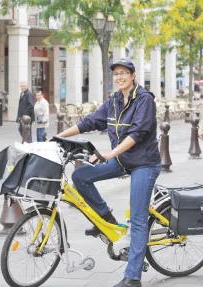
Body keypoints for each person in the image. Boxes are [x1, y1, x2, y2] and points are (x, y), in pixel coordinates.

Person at [57, 58, 161, 287]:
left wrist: (110, 153)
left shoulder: (144, 100)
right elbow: (90, 121)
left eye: (124, 73)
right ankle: (106, 218)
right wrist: (60, 136)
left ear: (133, 75)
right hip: (123, 159)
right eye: (116, 74)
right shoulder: (114, 101)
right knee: (80, 177)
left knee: (138, 219)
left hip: (144, 162)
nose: (120, 77)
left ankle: (133, 277)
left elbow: (137, 134)